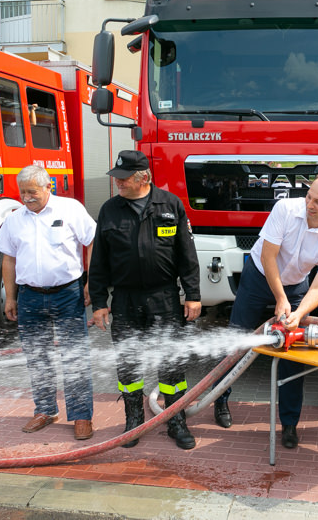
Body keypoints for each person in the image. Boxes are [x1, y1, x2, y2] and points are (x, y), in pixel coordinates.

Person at [88, 150, 202, 450]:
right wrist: (99, 302)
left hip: (164, 297)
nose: (119, 184)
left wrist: (192, 295)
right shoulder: (110, 210)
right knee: (128, 364)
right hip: (125, 300)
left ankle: (176, 421)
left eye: (124, 180)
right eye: (117, 179)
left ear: (145, 179)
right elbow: (98, 261)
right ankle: (133, 422)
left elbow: (187, 256)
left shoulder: (170, 205)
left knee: (172, 366)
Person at [226, 173, 318, 449]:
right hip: (258, 276)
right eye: (308, 197)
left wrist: (298, 312)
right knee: (237, 337)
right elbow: (268, 256)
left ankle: (289, 423)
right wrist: (280, 299)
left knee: (293, 351)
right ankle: (221, 400)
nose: (310, 205)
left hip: (296, 286)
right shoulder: (285, 209)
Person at [0, 165, 96, 441]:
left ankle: (82, 415)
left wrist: (90, 282)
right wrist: (10, 296)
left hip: (68, 294)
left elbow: (93, 241)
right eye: (22, 192)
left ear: (48, 185)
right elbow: (8, 259)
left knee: (75, 357)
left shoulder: (70, 209)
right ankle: (46, 410)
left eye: (32, 192)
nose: (26, 197)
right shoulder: (14, 219)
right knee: (37, 358)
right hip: (29, 297)